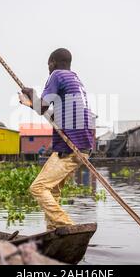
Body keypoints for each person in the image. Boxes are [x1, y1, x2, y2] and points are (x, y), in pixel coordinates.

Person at [19, 48, 94, 230]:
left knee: (38, 188)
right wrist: (31, 103)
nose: (48, 69)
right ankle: (53, 232)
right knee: (53, 190)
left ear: (52, 62)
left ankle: (67, 227)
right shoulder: (75, 79)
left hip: (70, 146)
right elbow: (49, 113)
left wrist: (32, 95)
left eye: (48, 65)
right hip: (83, 146)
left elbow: (42, 106)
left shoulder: (57, 75)